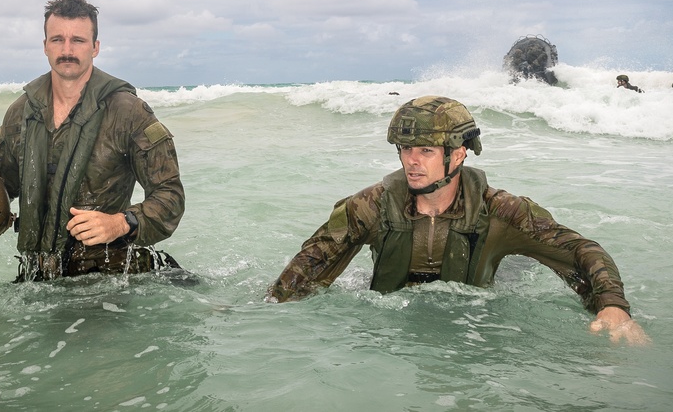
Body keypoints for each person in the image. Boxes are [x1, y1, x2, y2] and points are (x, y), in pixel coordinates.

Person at [266, 96, 650, 345]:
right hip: (396, 324)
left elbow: (580, 249)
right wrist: (264, 311)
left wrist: (611, 305)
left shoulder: (500, 210)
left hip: (472, 319)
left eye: (426, 151)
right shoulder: (371, 205)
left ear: (460, 154)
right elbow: (312, 261)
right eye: (405, 150)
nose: (411, 161)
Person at [0, 0, 186, 281]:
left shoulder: (128, 112)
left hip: (108, 278)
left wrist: (122, 222)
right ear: (45, 46)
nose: (67, 49)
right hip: (38, 277)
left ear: (95, 48)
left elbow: (170, 195)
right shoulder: (20, 114)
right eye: (58, 39)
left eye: (78, 40)